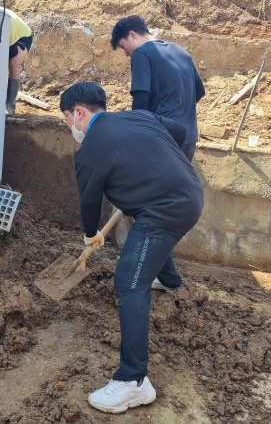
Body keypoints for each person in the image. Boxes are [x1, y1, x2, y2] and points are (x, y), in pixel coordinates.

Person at [60, 81, 204, 414]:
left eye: (67, 118)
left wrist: (90, 235)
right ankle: (170, 282)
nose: (69, 126)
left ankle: (133, 381)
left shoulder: (90, 151)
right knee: (147, 244)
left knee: (129, 280)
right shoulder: (140, 117)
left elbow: (89, 202)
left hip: (165, 211)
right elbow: (182, 131)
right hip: (188, 193)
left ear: (78, 113)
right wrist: (161, 166)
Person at [111, 15, 205, 161]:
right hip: (189, 139)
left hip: (162, 137)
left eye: (123, 47)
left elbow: (141, 101)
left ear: (132, 34)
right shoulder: (181, 51)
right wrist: (179, 109)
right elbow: (199, 91)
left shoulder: (141, 54)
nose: (126, 53)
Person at [0, 7, 33, 115]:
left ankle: (10, 106)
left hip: (22, 37)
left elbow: (3, 52)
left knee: (13, 63)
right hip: (8, 33)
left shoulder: (7, 25)